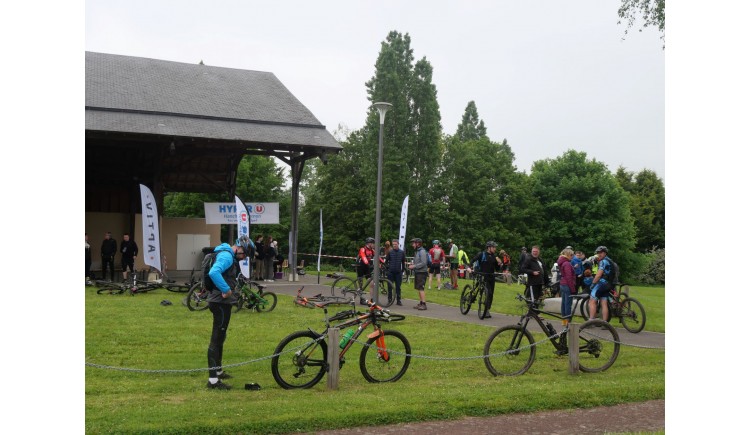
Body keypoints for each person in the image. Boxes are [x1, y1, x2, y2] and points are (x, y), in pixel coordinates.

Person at [205, 237, 249, 390]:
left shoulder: (225, 253)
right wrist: (226, 290)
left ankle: (218, 371)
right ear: (239, 248)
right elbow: (214, 272)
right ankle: (213, 381)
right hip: (220, 302)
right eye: (244, 254)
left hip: (220, 302)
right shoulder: (227, 256)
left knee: (221, 336)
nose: (244, 258)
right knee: (216, 339)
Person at [469, 241, 502, 319]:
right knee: (488, 292)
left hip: (491, 276)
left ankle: (487, 309)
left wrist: (500, 264)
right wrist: (469, 267)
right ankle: (485, 309)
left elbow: (496, 269)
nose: (495, 249)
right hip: (483, 276)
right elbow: (473, 260)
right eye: (494, 247)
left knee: (491, 294)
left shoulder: (494, 257)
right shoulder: (482, 254)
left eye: (495, 247)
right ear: (489, 248)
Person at [588, 246, 615, 322]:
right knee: (604, 303)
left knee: (592, 301)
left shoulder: (603, 261)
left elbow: (599, 275)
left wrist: (593, 283)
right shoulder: (610, 260)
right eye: (598, 253)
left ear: (605, 253)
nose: (599, 254)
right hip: (608, 284)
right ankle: (605, 322)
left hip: (602, 283)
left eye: (600, 252)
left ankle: (591, 321)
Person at [556, 247, 576, 330]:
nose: (572, 256)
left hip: (562, 284)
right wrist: (573, 289)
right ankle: (568, 321)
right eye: (571, 255)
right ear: (568, 255)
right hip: (567, 284)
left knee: (564, 303)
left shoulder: (562, 262)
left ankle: (564, 321)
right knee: (568, 304)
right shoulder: (567, 264)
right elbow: (569, 277)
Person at [409, 238, 429, 310]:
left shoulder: (422, 251)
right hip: (418, 272)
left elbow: (424, 263)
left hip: (422, 272)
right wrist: (413, 264)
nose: (412, 245)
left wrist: (414, 266)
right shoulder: (418, 251)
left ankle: (424, 304)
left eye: (413, 243)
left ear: (418, 244)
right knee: (419, 288)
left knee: (421, 288)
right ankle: (421, 303)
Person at [385, 239, 407, 305]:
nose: (394, 245)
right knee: (389, 286)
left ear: (398, 244)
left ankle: (398, 300)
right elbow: (386, 262)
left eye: (395, 244)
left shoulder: (402, 252)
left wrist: (402, 270)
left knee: (398, 287)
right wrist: (388, 268)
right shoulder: (390, 252)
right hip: (391, 272)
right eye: (393, 244)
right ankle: (389, 299)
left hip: (398, 272)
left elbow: (403, 262)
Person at [357, 237, 378, 303]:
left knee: (371, 283)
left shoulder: (372, 250)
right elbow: (363, 257)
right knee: (361, 284)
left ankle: (371, 299)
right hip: (360, 266)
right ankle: (361, 299)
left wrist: (383, 263)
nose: (374, 245)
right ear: (369, 244)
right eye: (373, 244)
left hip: (366, 266)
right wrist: (367, 263)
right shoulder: (363, 249)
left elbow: (378, 257)